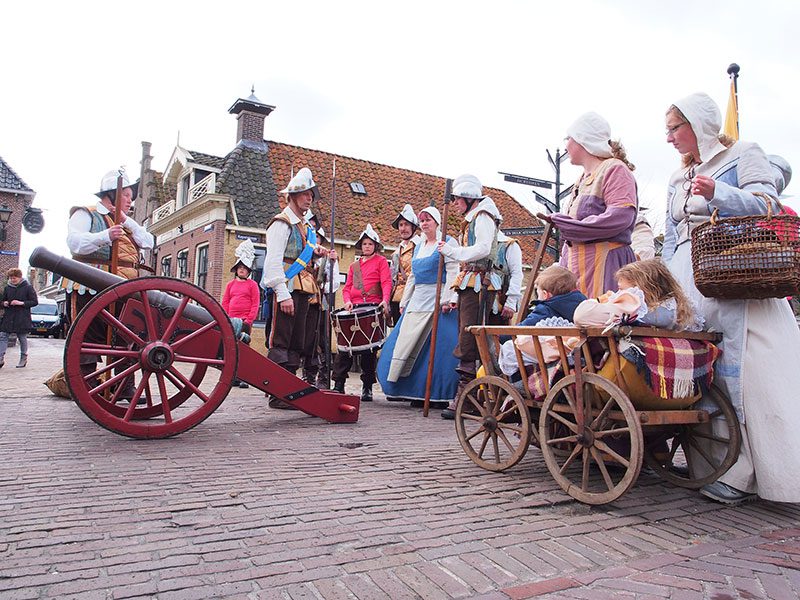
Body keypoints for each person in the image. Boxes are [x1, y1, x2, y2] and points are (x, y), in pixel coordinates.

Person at [662, 92, 800, 505]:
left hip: (735, 276)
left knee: (748, 375)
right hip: (692, 281)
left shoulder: (744, 154)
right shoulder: (677, 176)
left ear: (698, 124)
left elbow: (769, 207)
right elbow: (672, 236)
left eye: (674, 127)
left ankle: (763, 473)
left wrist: (720, 192)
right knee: (705, 371)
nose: (668, 137)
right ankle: (719, 468)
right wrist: (665, 282)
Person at [64, 170, 154, 398]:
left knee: (126, 338)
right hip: (91, 284)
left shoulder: (125, 221)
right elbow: (75, 244)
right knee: (89, 337)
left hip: (124, 287)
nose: (129, 200)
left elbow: (148, 242)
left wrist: (126, 222)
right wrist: (104, 236)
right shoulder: (86, 214)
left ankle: (123, 387)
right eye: (125, 194)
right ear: (111, 195)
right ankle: (87, 386)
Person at [542, 112, 638, 298]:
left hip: (605, 264)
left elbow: (621, 217)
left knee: (600, 318)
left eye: (568, 138)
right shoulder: (581, 180)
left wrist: (567, 224)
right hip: (578, 266)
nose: (566, 145)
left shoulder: (615, 169)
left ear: (582, 140)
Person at [377, 206, 460, 407]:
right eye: (422, 221)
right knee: (407, 344)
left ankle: (435, 394)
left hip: (439, 300)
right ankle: (412, 391)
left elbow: (453, 270)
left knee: (436, 349)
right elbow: (414, 276)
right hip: (418, 301)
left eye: (428, 220)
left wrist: (450, 298)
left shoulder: (447, 242)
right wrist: (405, 301)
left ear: (437, 222)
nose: (424, 224)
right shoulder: (420, 245)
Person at [261, 168, 329, 409]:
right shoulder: (281, 224)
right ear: (290, 196)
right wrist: (282, 293)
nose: (309, 198)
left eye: (310, 194)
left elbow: (305, 257)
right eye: (303, 194)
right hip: (288, 287)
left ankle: (287, 393)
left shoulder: (305, 228)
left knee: (296, 343)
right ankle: (276, 393)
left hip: (303, 288)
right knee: (281, 341)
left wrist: (318, 255)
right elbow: (273, 262)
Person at [436, 174, 502, 420]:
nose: (454, 204)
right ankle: (470, 393)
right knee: (466, 333)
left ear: (467, 198)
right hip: (470, 281)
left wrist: (453, 251)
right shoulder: (475, 217)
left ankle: (467, 395)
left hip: (480, 282)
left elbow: (483, 248)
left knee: (470, 335)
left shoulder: (483, 216)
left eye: (456, 200)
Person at [332, 224, 391, 402]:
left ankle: (367, 387)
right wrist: (348, 301)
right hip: (355, 308)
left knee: (369, 351)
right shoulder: (354, 266)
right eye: (364, 244)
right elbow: (347, 288)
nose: (367, 246)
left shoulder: (381, 261)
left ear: (375, 246)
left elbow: (386, 282)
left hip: (372, 308)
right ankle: (339, 384)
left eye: (370, 244)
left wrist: (385, 300)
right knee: (345, 348)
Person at [498, 266, 586, 383]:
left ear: (545, 294)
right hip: (578, 354)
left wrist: (500, 336)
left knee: (511, 348)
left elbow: (522, 329)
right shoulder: (583, 304)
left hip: (553, 356)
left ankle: (519, 382)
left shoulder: (545, 310)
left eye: (538, 292)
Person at [301, 215, 339, 389]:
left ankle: (323, 378)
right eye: (313, 236)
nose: (315, 240)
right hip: (304, 299)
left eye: (318, 237)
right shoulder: (301, 254)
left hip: (320, 301)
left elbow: (334, 283)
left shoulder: (325, 258)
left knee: (322, 340)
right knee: (305, 339)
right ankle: (306, 376)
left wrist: (332, 265)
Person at [222, 239, 260, 388]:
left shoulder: (252, 285)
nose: (242, 270)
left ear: (248, 271)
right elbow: (225, 302)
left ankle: (245, 377)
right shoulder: (230, 285)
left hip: (244, 320)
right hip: (231, 319)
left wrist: (249, 320)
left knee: (244, 350)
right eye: (240, 268)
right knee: (231, 349)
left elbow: (255, 303)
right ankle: (233, 376)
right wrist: (224, 318)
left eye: (245, 268)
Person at [0, 268, 38, 369]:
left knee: (22, 337)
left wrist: (21, 303)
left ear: (20, 277)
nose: (12, 280)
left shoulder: (28, 287)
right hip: (9, 316)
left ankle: (23, 358)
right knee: (3, 336)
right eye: (11, 278)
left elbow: (34, 302)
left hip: (22, 317)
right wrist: (4, 303)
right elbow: (2, 301)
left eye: (14, 278)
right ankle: (0, 357)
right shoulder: (8, 288)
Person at [389, 204, 419, 327]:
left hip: (414, 296)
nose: (403, 228)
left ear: (413, 227)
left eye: (406, 224)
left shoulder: (420, 246)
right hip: (396, 297)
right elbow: (393, 277)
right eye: (401, 225)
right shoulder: (397, 251)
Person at [491, 232, 523, 323]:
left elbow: (516, 274)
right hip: (477, 300)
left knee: (497, 334)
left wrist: (511, 302)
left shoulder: (509, 246)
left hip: (499, 301)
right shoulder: (474, 245)